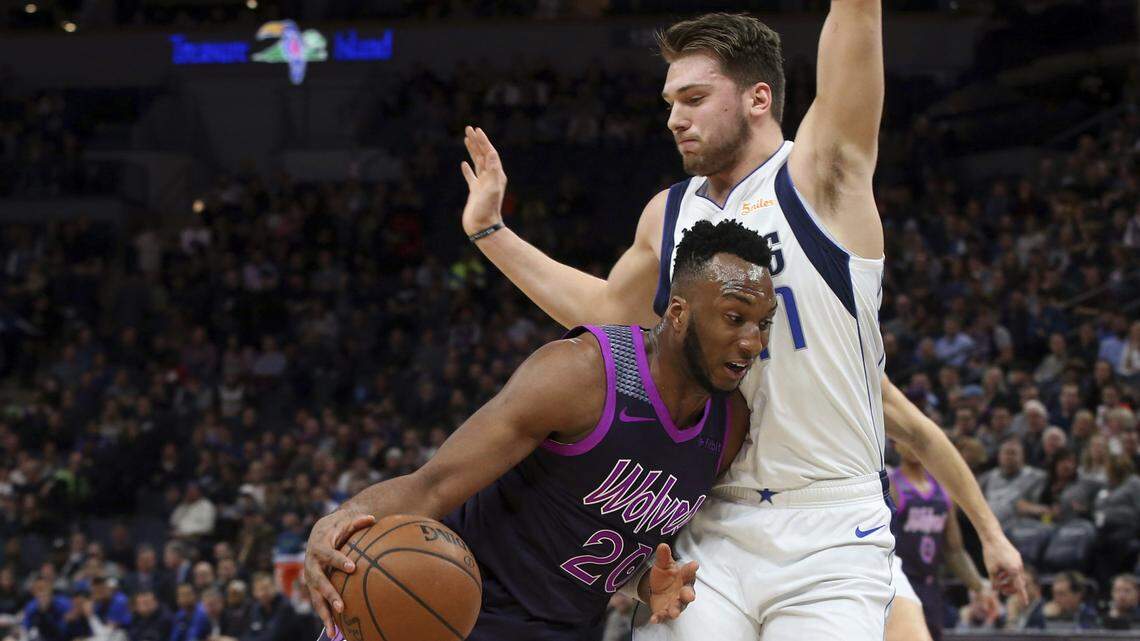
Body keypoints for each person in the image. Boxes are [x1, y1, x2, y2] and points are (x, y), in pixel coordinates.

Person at [455, 9, 1025, 641]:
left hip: (829, 524)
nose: (675, 117)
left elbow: (855, 24)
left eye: (694, 98)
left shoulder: (818, 175)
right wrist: (490, 233)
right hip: (711, 522)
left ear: (759, 97)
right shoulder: (669, 213)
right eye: (671, 101)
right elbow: (609, 313)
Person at [304, 221, 775, 639]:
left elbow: (604, 540)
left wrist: (650, 583)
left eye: (763, 324)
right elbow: (433, 485)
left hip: (565, 628)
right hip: (449, 603)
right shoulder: (581, 374)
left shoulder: (729, 426)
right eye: (734, 318)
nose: (752, 342)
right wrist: (341, 518)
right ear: (677, 313)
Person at [886, 439, 999, 641]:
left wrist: (979, 587)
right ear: (896, 445)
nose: (913, 445)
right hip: (898, 584)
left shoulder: (943, 492)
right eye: (907, 439)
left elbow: (954, 550)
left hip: (930, 586)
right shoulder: (892, 485)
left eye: (917, 440)